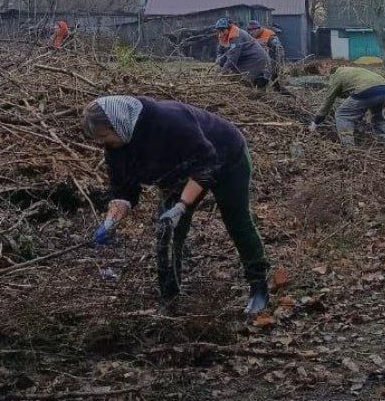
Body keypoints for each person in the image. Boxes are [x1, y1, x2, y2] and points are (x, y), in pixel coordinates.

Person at [83, 95, 270, 315]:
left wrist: (182, 206)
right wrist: (110, 222)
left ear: (118, 122)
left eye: (104, 137)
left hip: (226, 157)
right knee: (167, 230)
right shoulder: (116, 146)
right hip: (178, 174)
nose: (103, 144)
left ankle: (259, 286)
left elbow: (207, 164)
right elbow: (124, 190)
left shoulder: (169, 120)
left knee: (236, 220)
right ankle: (169, 300)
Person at [309, 65, 385, 146]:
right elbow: (351, 90)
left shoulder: (336, 77)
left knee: (342, 114)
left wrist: (316, 122)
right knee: (378, 115)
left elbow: (328, 102)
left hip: (366, 90)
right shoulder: (349, 70)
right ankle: (384, 141)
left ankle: (348, 146)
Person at [214, 18, 272, 88]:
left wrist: (221, 74)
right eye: (219, 31)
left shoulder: (236, 36)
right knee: (224, 62)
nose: (221, 33)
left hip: (256, 61)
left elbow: (232, 59)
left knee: (250, 85)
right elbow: (220, 50)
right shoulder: (223, 35)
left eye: (223, 30)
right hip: (245, 59)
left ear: (228, 28)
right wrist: (218, 59)